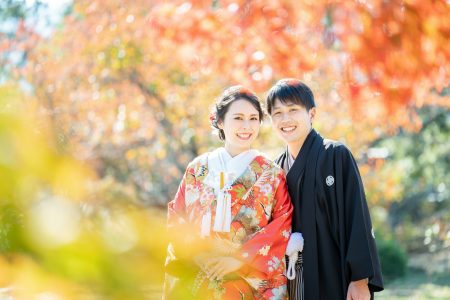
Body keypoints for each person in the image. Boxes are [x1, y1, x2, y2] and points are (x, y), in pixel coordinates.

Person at [164, 86, 293, 299]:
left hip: (245, 281)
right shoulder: (197, 169)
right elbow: (177, 216)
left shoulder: (271, 173)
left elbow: (282, 223)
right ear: (221, 121)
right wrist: (198, 255)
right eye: (238, 118)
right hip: (198, 274)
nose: (246, 126)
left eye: (253, 118)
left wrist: (239, 259)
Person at [266, 79, 384, 300]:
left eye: (293, 110)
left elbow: (357, 218)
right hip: (290, 280)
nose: (286, 119)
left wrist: (359, 280)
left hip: (334, 275)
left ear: (311, 114)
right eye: (278, 113)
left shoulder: (335, 155)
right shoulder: (275, 169)